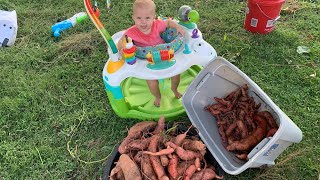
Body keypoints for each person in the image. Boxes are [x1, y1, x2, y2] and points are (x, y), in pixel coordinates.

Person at [117, 0, 185, 107]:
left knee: (176, 73)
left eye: (147, 18)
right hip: (147, 61)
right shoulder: (131, 32)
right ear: (133, 17)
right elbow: (121, 42)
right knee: (152, 82)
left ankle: (174, 89)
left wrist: (178, 27)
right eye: (139, 18)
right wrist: (122, 50)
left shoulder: (157, 25)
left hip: (165, 55)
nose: (143, 22)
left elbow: (168, 22)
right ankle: (157, 96)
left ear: (154, 17)